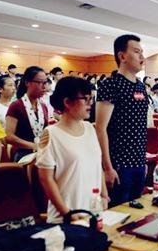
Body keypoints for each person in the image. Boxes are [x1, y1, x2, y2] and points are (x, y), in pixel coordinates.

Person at [37, 76, 109, 223]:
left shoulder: (90, 129)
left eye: (91, 99)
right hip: (66, 219)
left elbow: (97, 166)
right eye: (85, 99)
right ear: (67, 102)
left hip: (93, 213)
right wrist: (67, 213)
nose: (90, 103)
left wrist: (104, 195)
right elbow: (46, 179)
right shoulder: (51, 134)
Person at [95, 34, 148, 207]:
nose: (142, 57)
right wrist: (107, 167)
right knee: (118, 214)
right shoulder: (111, 85)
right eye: (137, 52)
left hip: (139, 162)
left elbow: (140, 127)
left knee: (136, 213)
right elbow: (100, 129)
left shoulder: (141, 86)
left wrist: (143, 161)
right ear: (122, 56)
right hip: (119, 165)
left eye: (142, 52)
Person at [5, 66, 50, 162]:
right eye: (40, 82)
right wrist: (34, 146)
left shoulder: (43, 106)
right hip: (23, 153)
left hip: (41, 152)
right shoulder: (16, 106)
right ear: (27, 83)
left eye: (45, 82)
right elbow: (8, 136)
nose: (44, 87)